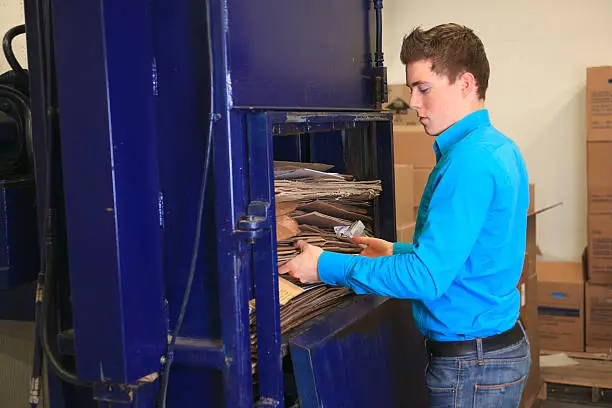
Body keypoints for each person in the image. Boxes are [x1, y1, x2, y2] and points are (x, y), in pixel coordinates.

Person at [279, 23, 531, 407]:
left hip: (473, 368)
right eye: (412, 88)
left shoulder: (469, 162)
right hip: (488, 357)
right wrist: (396, 252)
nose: (412, 102)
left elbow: (428, 279)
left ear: (465, 83)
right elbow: (467, 257)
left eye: (423, 88)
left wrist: (326, 266)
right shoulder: (496, 147)